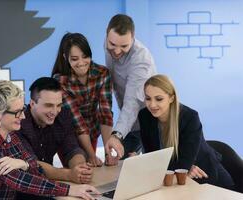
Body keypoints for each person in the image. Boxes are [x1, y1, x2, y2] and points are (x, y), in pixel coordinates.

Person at [0, 80, 99, 200]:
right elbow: (16, 179)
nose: (22, 116)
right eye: (17, 112)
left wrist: (24, 164)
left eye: (22, 110)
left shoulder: (13, 138)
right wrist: (68, 190)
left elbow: (37, 170)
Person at [138, 74, 234, 189]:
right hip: (178, 179)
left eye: (159, 99)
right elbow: (152, 158)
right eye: (148, 98)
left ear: (171, 98)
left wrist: (182, 167)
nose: (152, 105)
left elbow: (184, 162)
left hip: (207, 177)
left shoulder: (190, 117)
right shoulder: (144, 116)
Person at [52, 33, 114, 167]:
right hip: (68, 133)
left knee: (94, 169)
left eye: (85, 56)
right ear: (66, 58)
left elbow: (105, 114)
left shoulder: (102, 73)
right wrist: (92, 155)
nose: (81, 63)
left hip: (92, 129)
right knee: (81, 168)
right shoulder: (60, 81)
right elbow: (77, 121)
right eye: (74, 59)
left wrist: (109, 153)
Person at [17, 77, 93, 184]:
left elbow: (72, 149)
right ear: (32, 103)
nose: (55, 111)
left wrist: (80, 168)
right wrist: (69, 174)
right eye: (48, 105)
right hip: (23, 188)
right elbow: (31, 165)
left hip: (48, 185)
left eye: (58, 105)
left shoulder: (63, 116)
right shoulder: (18, 123)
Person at [104, 14, 157, 163]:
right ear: (107, 34)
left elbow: (132, 103)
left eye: (124, 46)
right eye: (112, 44)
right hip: (129, 123)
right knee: (117, 166)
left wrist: (116, 135)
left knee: (152, 170)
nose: (117, 51)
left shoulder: (141, 60)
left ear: (133, 39)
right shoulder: (109, 42)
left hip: (149, 121)